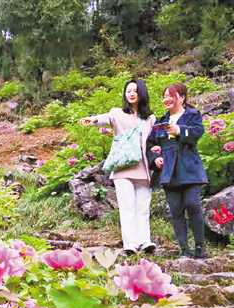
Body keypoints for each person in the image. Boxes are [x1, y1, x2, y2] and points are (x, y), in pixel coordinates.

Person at [80, 79, 156, 255]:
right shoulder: (118, 114)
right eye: (128, 90)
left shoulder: (150, 119)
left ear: (142, 93)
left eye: (135, 90)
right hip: (122, 169)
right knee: (127, 206)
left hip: (143, 169)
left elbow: (154, 141)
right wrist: (93, 120)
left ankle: (145, 241)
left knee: (143, 208)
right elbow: (106, 118)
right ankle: (130, 244)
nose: (131, 93)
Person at [148, 82, 208, 259]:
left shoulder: (192, 115)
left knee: (193, 204)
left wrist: (179, 130)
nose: (167, 99)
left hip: (189, 168)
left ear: (181, 97)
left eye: (171, 95)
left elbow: (198, 132)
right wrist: (154, 159)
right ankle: (184, 250)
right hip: (168, 171)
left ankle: (200, 248)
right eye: (164, 96)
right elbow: (151, 144)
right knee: (175, 210)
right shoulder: (160, 122)